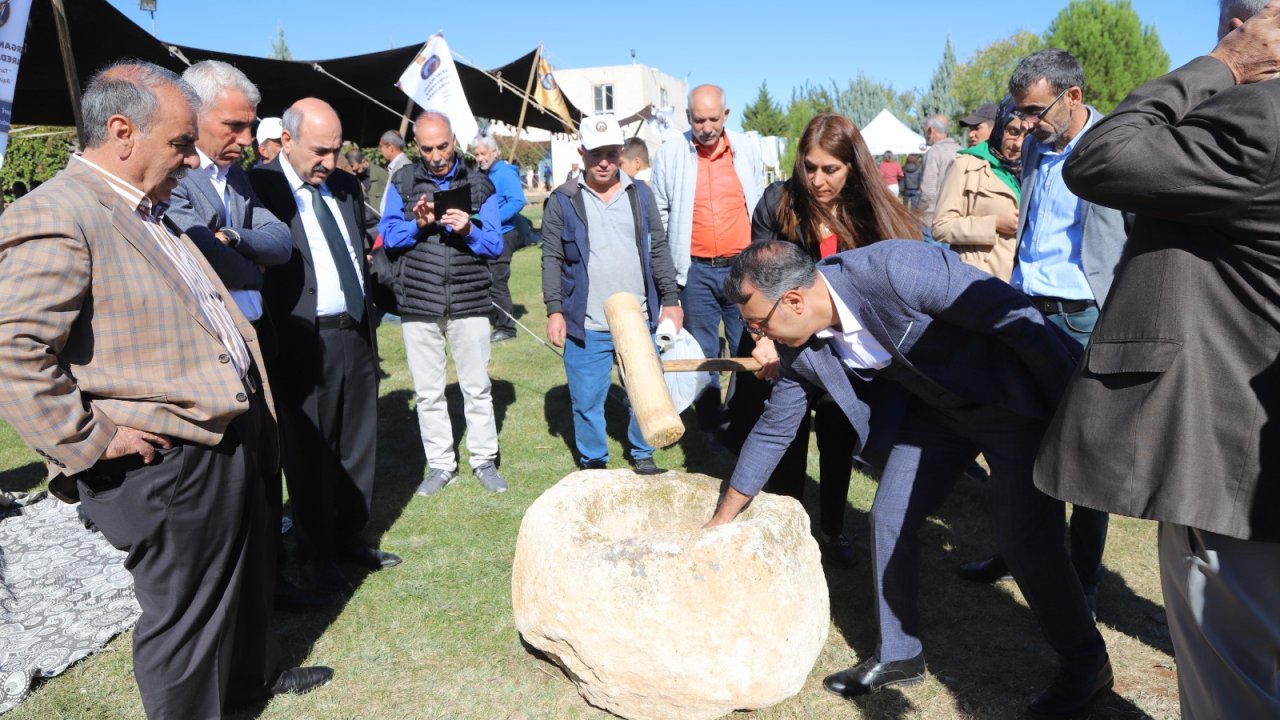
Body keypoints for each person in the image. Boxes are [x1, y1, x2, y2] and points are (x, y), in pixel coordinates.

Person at [0, 61, 331, 719]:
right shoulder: (58, 213)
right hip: (167, 462)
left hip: (221, 440)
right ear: (122, 132)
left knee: (235, 590)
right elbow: (13, 348)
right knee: (185, 623)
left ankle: (242, 691)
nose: (190, 159)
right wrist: (90, 441)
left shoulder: (146, 209)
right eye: (181, 143)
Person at [709, 240, 1110, 715]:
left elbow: (1019, 322)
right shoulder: (801, 349)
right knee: (889, 518)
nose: (759, 338)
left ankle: (1087, 665)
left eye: (759, 324)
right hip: (938, 414)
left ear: (794, 300)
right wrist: (723, 519)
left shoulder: (897, 269)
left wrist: (1071, 412)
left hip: (1011, 402)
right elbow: (775, 429)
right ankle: (900, 654)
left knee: (1027, 541)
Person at [1039, 2, 1280, 716]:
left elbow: (1101, 157)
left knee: (1234, 683)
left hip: (1231, 447)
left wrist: (1225, 67)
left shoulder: (1261, 117)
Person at [954, 50, 1127, 616]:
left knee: (1084, 453)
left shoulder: (1116, 145)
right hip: (1024, 308)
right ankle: (1019, 554)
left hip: (1082, 316)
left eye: (1033, 110)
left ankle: (1083, 579)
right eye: (1018, 112)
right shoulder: (1032, 146)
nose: (1022, 124)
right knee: (1017, 442)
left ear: (1072, 97)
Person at [163, 61, 325, 612]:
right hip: (211, 352)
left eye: (250, 125)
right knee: (227, 478)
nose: (245, 138)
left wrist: (234, 239)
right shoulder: (176, 177)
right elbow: (196, 252)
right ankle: (241, 594)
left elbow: (281, 242)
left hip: (256, 341)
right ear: (195, 114)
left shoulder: (237, 177)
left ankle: (271, 579)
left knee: (263, 466)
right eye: (233, 125)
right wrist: (243, 252)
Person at [730, 112, 920, 567]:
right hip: (786, 345)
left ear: (853, 166)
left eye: (830, 169)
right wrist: (761, 336)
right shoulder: (779, 202)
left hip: (846, 351)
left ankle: (832, 531)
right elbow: (754, 280)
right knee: (786, 440)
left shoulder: (870, 212)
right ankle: (789, 529)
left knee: (837, 443)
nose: (817, 180)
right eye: (809, 167)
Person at [250, 98, 402, 594]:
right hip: (301, 339)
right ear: (286, 140)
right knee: (311, 450)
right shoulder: (259, 188)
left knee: (358, 441)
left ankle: (347, 537)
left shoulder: (343, 185)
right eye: (320, 151)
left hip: (355, 331)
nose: (330, 162)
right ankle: (313, 553)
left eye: (337, 150)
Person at [541, 114, 683, 473]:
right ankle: (593, 462)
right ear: (582, 153)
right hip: (586, 321)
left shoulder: (641, 194)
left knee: (643, 393)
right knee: (586, 399)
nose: (603, 161)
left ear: (621, 152)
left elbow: (658, 249)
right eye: (595, 153)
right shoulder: (562, 200)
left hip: (639, 319)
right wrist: (555, 310)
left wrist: (670, 300)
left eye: (610, 152)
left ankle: (642, 453)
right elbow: (551, 258)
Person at [378, 112, 507, 495]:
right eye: (428, 148)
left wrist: (467, 229)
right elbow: (388, 236)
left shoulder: (480, 183)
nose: (436, 156)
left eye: (443, 146)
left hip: (469, 300)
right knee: (429, 391)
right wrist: (418, 225)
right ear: (417, 147)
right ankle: (440, 464)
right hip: (419, 301)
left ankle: (483, 460)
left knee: (477, 386)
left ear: (455, 141)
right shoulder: (401, 182)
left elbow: (495, 244)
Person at [650, 84, 765, 446]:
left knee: (747, 346)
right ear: (688, 118)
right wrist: (669, 272)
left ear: (726, 116)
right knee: (702, 353)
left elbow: (759, 207)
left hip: (742, 269)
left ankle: (743, 420)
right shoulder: (670, 153)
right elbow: (662, 217)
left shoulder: (747, 150)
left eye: (714, 118)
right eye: (699, 119)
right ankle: (710, 426)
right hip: (695, 270)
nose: (707, 127)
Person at [931, 97, 1024, 281]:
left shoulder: (1034, 169)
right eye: (1012, 132)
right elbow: (940, 227)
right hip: (978, 283)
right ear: (999, 128)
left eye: (1025, 135)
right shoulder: (965, 165)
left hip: (1021, 286)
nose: (1018, 143)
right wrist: (994, 223)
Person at [472, 132, 528, 343]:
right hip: (488, 234)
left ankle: (507, 329)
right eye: (477, 154)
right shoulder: (484, 174)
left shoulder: (504, 173)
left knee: (497, 281)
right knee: (487, 278)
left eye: (484, 153)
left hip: (504, 234)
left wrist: (494, 220)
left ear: (494, 152)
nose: (480, 158)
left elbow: (517, 201)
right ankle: (494, 318)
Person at [917, 114, 959, 239]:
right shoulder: (961, 151)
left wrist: (917, 213)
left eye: (926, 132)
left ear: (931, 130)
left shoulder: (934, 153)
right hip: (956, 223)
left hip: (933, 222)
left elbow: (927, 193)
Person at [378, 129, 410, 215]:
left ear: (390, 148)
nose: (380, 150)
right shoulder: (396, 166)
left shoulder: (403, 167)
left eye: (381, 146)